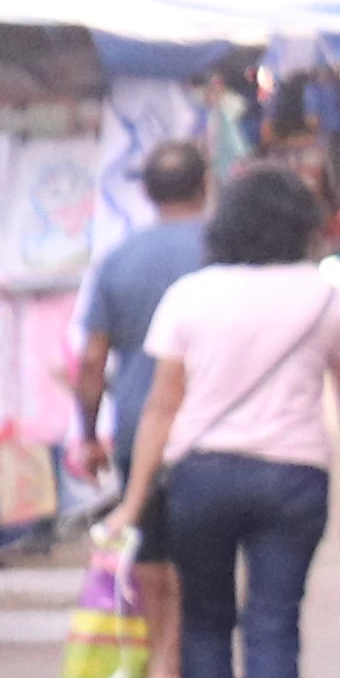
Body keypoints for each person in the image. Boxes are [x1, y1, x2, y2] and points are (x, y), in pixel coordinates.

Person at [104, 161, 340, 678]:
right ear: (303, 225)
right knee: (273, 625)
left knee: (204, 624)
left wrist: (133, 499)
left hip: (201, 477)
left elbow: (161, 407)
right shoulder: (328, 299)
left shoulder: (191, 296)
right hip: (293, 477)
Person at [76, 141, 219, 486]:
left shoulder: (117, 261)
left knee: (144, 522)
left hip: (139, 435)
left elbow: (92, 360)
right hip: (217, 436)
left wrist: (89, 437)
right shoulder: (229, 254)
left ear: (146, 192)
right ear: (206, 185)